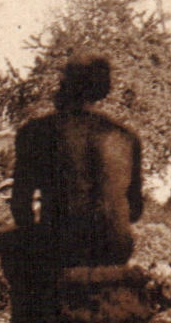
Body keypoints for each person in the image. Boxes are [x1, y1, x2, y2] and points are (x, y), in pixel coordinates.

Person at [10, 56, 144, 268]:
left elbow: (21, 207)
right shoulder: (126, 137)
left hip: (58, 249)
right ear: (104, 89)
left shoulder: (35, 132)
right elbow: (135, 210)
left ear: (64, 84)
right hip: (113, 251)